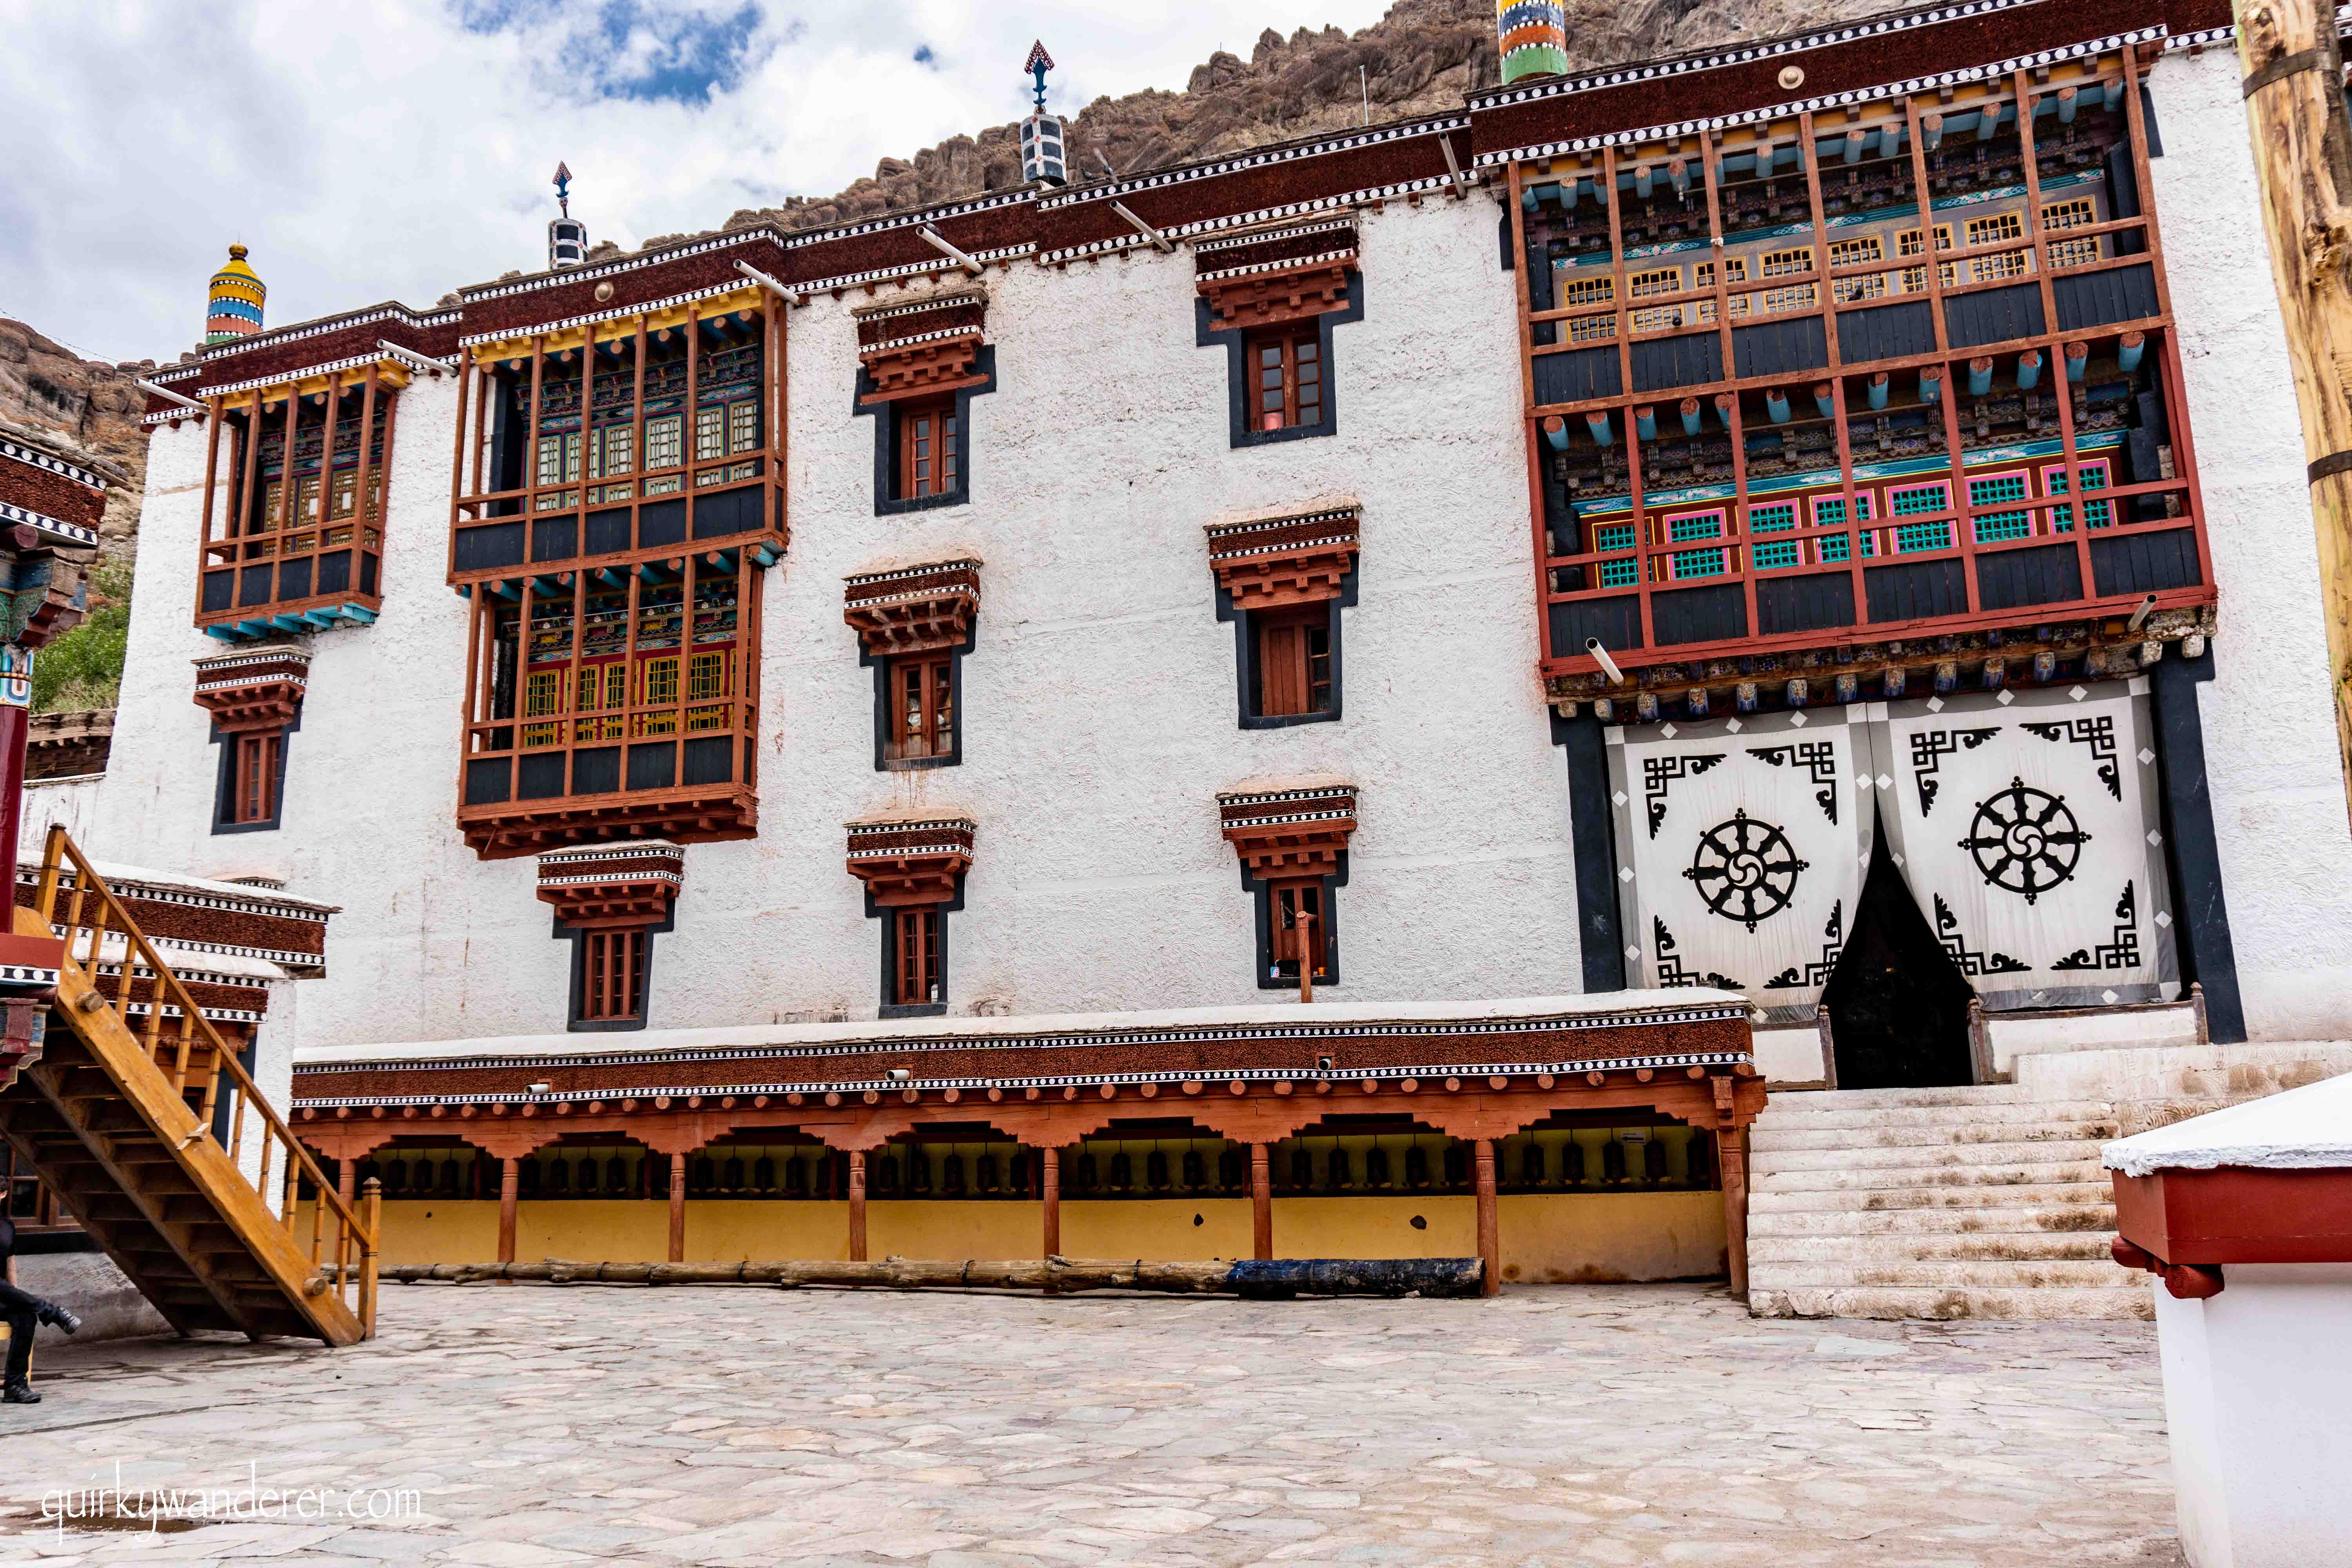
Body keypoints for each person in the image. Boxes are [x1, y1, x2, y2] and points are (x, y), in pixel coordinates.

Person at [0, 1214, 81, 1403]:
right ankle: (53, 1312)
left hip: (2, 1296)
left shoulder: (7, 1226)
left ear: (3, 1194)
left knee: (27, 1316)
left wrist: (18, 1298)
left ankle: (15, 1386)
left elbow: (10, 1265)